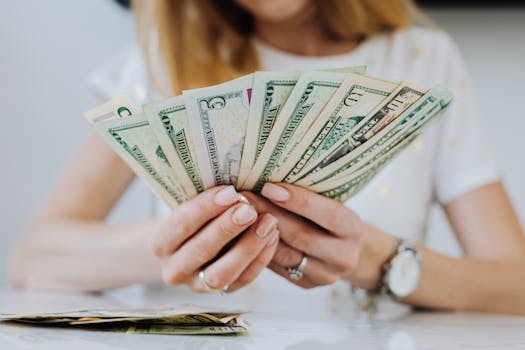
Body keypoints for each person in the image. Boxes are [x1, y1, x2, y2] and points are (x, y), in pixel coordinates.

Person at [8, 0, 525, 314]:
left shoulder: (423, 61)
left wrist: (378, 262)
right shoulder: (164, 58)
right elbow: (35, 258)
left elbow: (516, 287)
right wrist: (181, 244)